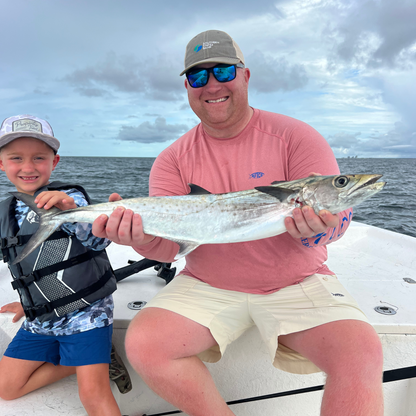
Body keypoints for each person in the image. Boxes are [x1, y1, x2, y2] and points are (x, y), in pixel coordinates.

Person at [92, 30, 384, 416]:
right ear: (187, 87)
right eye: (198, 77)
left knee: (360, 353)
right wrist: (139, 239)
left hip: (295, 280)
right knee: (146, 344)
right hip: (207, 283)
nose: (212, 84)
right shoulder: (172, 159)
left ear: (245, 76)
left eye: (224, 72)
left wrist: (321, 228)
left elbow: (338, 219)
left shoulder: (296, 136)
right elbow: (167, 248)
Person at [0, 115, 123, 416]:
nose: (28, 167)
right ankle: (83, 362)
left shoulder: (70, 198)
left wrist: (70, 211)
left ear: (54, 162)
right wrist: (26, 301)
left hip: (86, 314)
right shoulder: (6, 210)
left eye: (39, 158)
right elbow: (26, 263)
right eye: (16, 158)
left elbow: (98, 242)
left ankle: (90, 362)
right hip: (40, 318)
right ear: (1, 163)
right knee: (6, 387)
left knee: (93, 395)